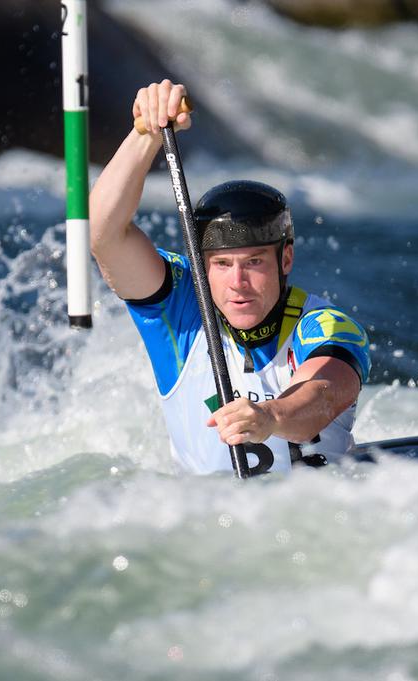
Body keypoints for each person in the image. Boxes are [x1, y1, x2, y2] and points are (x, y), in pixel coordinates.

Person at [89, 80, 370, 475]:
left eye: (253, 262)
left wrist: (270, 417)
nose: (236, 281)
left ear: (285, 258)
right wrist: (145, 135)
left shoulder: (324, 325)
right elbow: (105, 234)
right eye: (221, 264)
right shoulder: (180, 310)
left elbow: (322, 396)